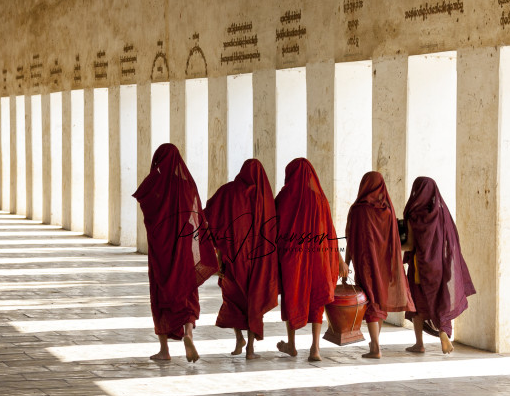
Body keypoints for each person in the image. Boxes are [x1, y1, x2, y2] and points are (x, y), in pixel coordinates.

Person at [132, 143, 218, 362]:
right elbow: (196, 215)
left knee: (161, 293)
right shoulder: (187, 184)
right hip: (184, 247)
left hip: (161, 248)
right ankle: (188, 333)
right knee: (186, 288)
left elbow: (144, 200)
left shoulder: (156, 184)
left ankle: (164, 350)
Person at [274, 157, 348, 362]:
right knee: (316, 301)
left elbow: (273, 228)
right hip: (319, 259)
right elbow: (330, 233)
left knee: (292, 296)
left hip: (292, 258)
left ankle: (291, 344)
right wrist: (340, 260)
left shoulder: (284, 197)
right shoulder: (320, 199)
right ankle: (315, 348)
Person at [204, 158, 279, 359]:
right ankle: (250, 348)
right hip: (258, 261)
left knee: (233, 299)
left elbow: (209, 216)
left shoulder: (228, 191)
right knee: (253, 300)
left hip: (232, 257)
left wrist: (218, 250)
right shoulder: (264, 198)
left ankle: (239, 339)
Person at [402, 176, 475, 354]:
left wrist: (393, 246)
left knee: (418, 304)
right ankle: (443, 334)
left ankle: (419, 344)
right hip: (441, 267)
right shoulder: (442, 213)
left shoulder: (413, 215)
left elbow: (411, 245)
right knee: (441, 299)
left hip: (420, 268)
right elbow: (452, 242)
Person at [345, 171, 414, 359]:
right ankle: (375, 341)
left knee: (370, 298)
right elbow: (394, 240)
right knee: (380, 298)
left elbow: (350, 238)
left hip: (365, 262)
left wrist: (346, 263)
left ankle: (375, 345)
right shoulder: (387, 210)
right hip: (385, 262)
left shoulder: (357, 210)